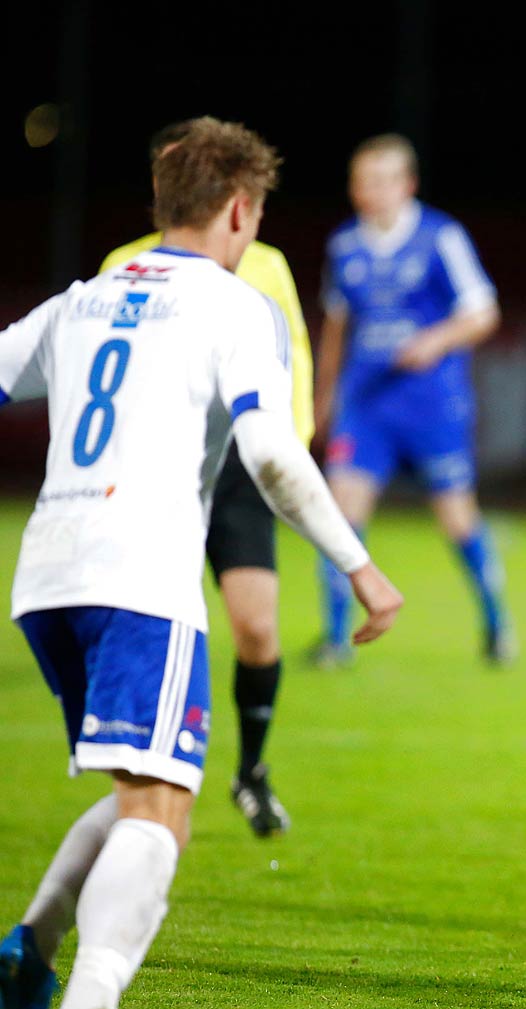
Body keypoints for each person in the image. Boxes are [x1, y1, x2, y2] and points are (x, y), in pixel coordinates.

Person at [0, 118, 402, 1009]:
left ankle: (29, 957)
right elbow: (269, 451)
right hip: (141, 577)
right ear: (237, 210)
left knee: (145, 787)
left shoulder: (82, 299)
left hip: (48, 576)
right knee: (159, 806)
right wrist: (358, 563)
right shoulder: (232, 305)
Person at [99, 120, 317, 838]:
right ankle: (144, 785)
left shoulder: (265, 265)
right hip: (156, 480)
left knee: (257, 630)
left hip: (238, 474)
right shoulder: (124, 265)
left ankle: (249, 771)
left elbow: (296, 362)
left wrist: (297, 448)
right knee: (162, 631)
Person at [311, 134, 512, 666]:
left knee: (457, 520)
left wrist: (435, 341)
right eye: (361, 182)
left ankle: (496, 622)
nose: (369, 192)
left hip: (431, 404)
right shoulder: (344, 246)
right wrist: (322, 398)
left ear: (408, 185)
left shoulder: (440, 237)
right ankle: (336, 640)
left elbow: (483, 313)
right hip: (367, 404)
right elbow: (336, 326)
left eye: (380, 181)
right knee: (338, 514)